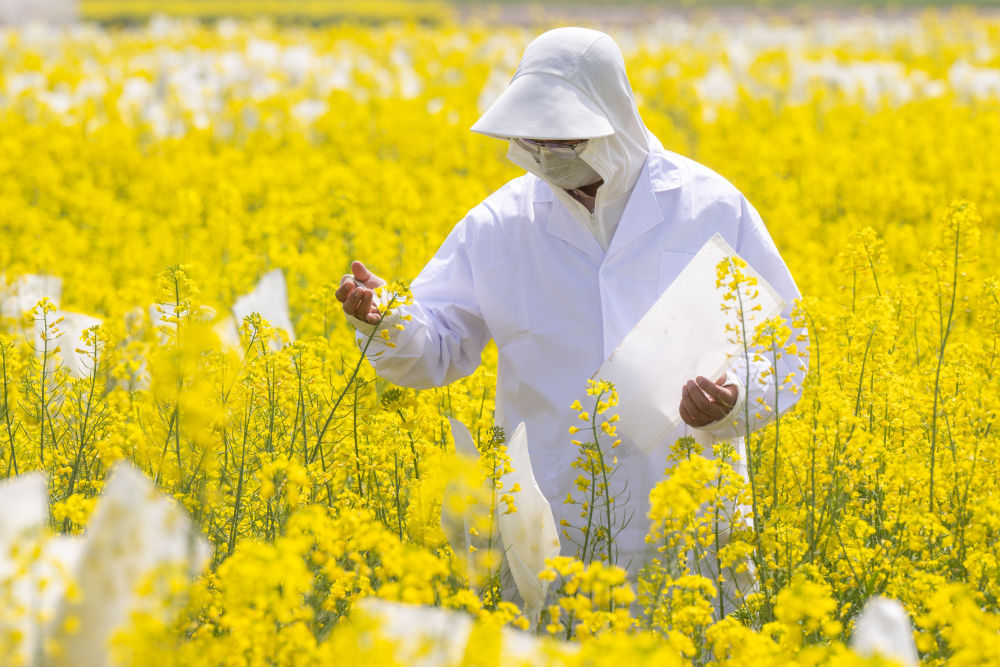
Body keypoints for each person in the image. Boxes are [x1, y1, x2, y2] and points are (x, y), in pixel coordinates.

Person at [336, 28, 807, 585]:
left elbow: (782, 342)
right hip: (554, 522)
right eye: (533, 141)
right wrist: (387, 319)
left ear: (613, 121)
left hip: (691, 519)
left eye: (562, 141)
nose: (544, 156)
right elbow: (437, 348)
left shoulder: (709, 206)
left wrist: (735, 403)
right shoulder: (500, 223)